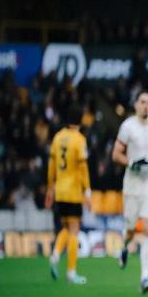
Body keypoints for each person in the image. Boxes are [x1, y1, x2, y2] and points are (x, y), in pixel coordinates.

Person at [112, 92, 148, 294]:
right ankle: (124, 247)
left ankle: (145, 278)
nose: (146, 106)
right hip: (132, 185)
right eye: (143, 102)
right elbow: (116, 154)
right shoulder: (127, 126)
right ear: (135, 105)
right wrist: (131, 162)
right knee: (131, 229)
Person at [45, 104, 91, 284]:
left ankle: (55, 255)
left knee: (65, 227)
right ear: (80, 120)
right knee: (74, 229)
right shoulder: (79, 140)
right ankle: (71, 272)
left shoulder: (57, 137)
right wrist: (87, 191)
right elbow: (83, 168)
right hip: (73, 191)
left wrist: (50, 188)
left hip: (59, 190)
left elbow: (51, 165)